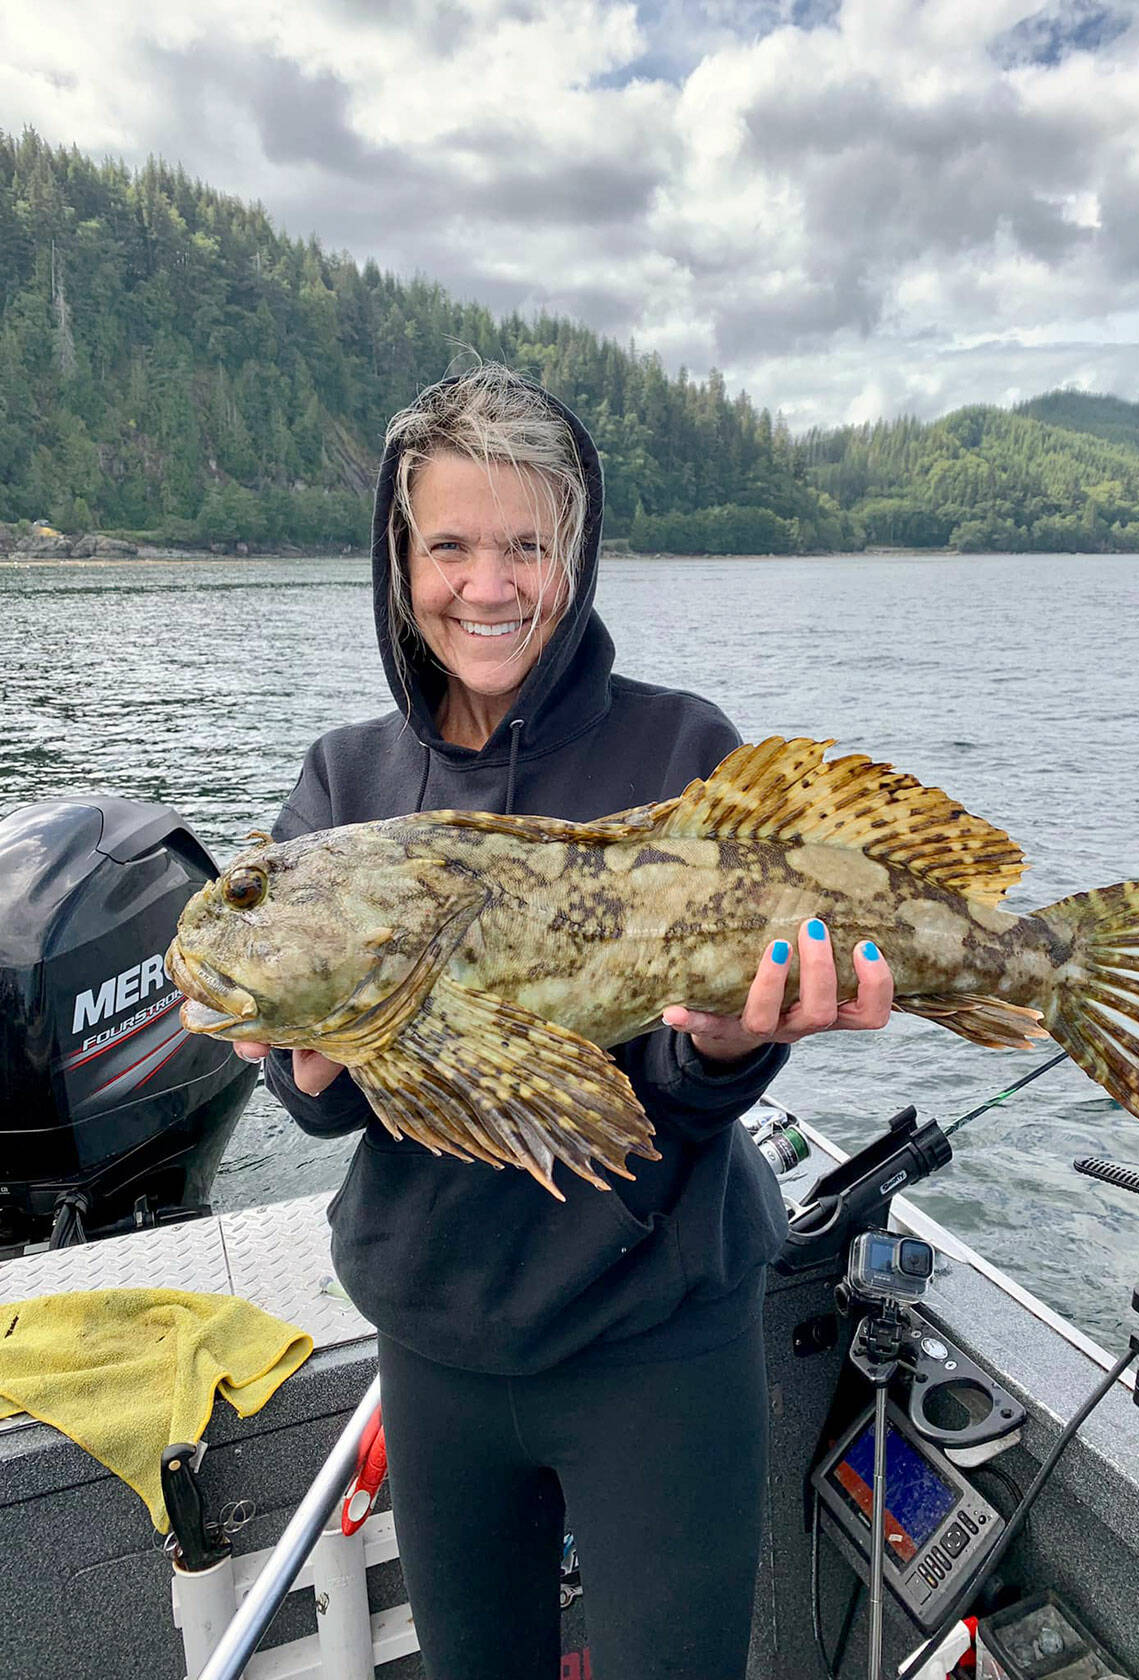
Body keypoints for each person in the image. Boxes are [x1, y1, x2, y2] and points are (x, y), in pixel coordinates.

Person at [234, 365, 892, 1680]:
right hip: (439, 1348)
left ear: (575, 555)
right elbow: (320, 1097)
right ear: (398, 555)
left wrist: (722, 1045)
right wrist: (306, 1064)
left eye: (527, 544)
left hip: (660, 1341)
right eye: (451, 545)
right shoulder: (344, 784)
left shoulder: (681, 749)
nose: (489, 586)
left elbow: (689, 1095)